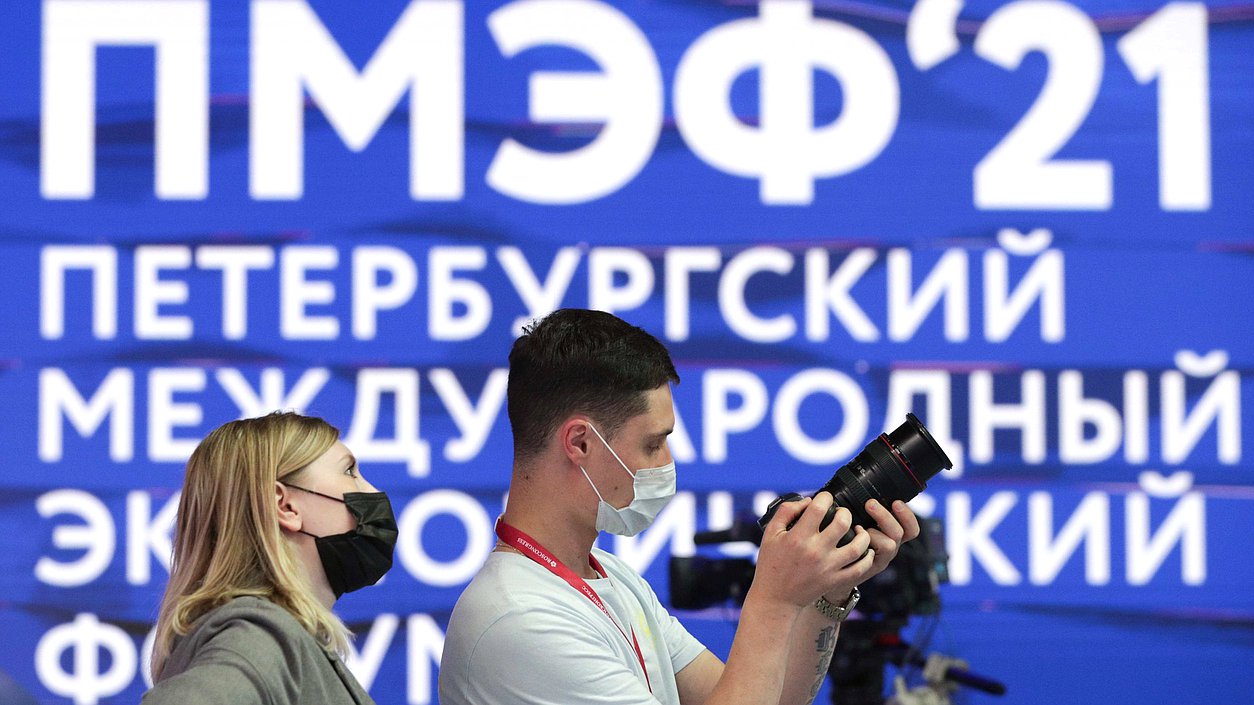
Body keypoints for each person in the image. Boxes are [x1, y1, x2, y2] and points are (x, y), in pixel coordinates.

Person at [439, 308, 921, 705]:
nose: (668, 463)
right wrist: (773, 599)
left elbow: (770, 699)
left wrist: (828, 591)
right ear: (580, 442)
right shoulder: (521, 619)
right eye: (654, 444)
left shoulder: (609, 577)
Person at [143, 411, 397, 705]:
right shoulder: (259, 636)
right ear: (285, 506)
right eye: (349, 472)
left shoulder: (278, 637)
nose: (373, 491)